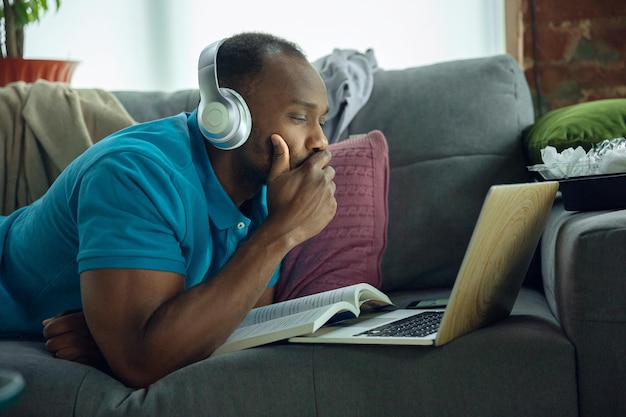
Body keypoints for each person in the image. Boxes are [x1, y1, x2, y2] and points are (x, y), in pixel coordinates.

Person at [0, 32, 336, 388]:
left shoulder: (269, 186)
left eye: (321, 122)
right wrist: (280, 233)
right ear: (225, 117)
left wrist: (129, 340)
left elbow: (240, 322)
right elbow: (144, 362)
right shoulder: (134, 174)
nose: (321, 142)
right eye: (299, 117)